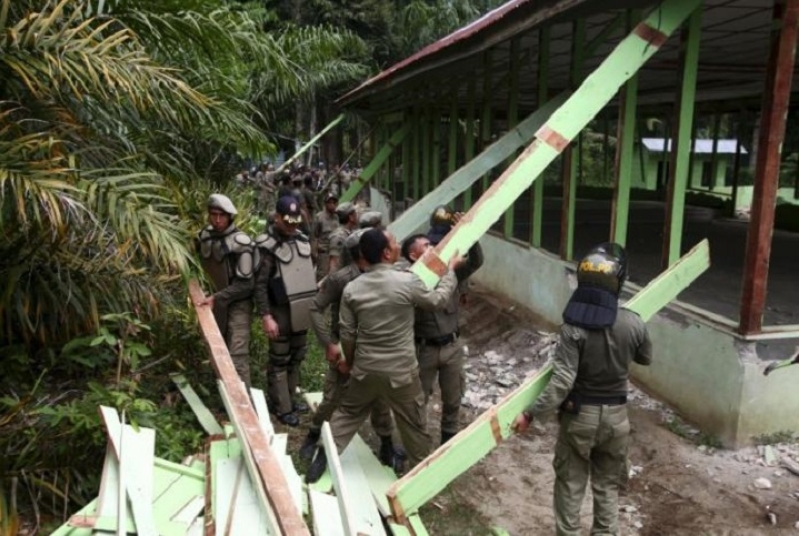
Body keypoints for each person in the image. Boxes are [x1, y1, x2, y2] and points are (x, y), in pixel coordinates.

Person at [512, 242, 652, 536]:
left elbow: (562, 381)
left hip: (579, 419)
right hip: (617, 419)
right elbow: (645, 358)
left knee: (571, 486)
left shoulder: (573, 328)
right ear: (620, 281)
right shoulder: (634, 323)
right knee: (608, 487)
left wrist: (531, 413)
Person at [306, 229, 465, 481]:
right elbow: (437, 301)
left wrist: (352, 362)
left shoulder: (353, 289)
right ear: (387, 252)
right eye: (394, 241)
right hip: (401, 373)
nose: (398, 244)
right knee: (413, 424)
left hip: (365, 370)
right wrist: (450, 271)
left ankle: (320, 461)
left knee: (347, 415)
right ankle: (421, 478)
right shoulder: (406, 281)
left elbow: (348, 335)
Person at [302, 229, 400, 480]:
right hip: (345, 349)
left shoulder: (390, 277)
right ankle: (314, 436)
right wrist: (329, 344)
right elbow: (315, 308)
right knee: (333, 398)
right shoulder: (341, 279)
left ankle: (386, 445)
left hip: (374, 352)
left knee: (380, 401)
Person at [403, 206, 484, 445]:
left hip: (451, 346)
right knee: (419, 400)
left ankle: (447, 447)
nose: (438, 249)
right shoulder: (413, 277)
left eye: (443, 243)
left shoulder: (455, 272)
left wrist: (470, 233)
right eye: (434, 245)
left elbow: (477, 260)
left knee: (453, 400)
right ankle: (418, 449)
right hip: (423, 349)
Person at [254, 196, 318, 426]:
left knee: (297, 356)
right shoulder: (266, 245)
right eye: (287, 222)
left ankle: (290, 397)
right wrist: (266, 316)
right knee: (279, 359)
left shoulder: (301, 238)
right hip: (279, 309)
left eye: (295, 222)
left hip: (301, 307)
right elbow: (260, 284)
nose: (292, 226)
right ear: (278, 217)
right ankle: (282, 406)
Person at [196, 194, 257, 386]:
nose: (217, 219)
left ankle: (244, 403)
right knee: (217, 349)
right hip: (214, 301)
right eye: (213, 214)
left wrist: (218, 297)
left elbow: (246, 284)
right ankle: (224, 394)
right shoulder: (204, 236)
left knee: (237, 355)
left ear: (230, 216)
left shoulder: (241, 242)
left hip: (238, 303)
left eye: (222, 215)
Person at [311, 193, 340, 281]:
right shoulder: (319, 218)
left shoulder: (337, 217)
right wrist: (314, 254)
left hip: (335, 252)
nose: (332, 205)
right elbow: (313, 236)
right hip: (324, 253)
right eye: (329, 202)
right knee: (322, 278)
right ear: (325, 204)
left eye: (334, 203)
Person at [326, 201, 358, 274]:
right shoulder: (338, 236)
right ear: (351, 217)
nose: (357, 215)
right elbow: (334, 264)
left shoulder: (350, 233)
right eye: (355, 213)